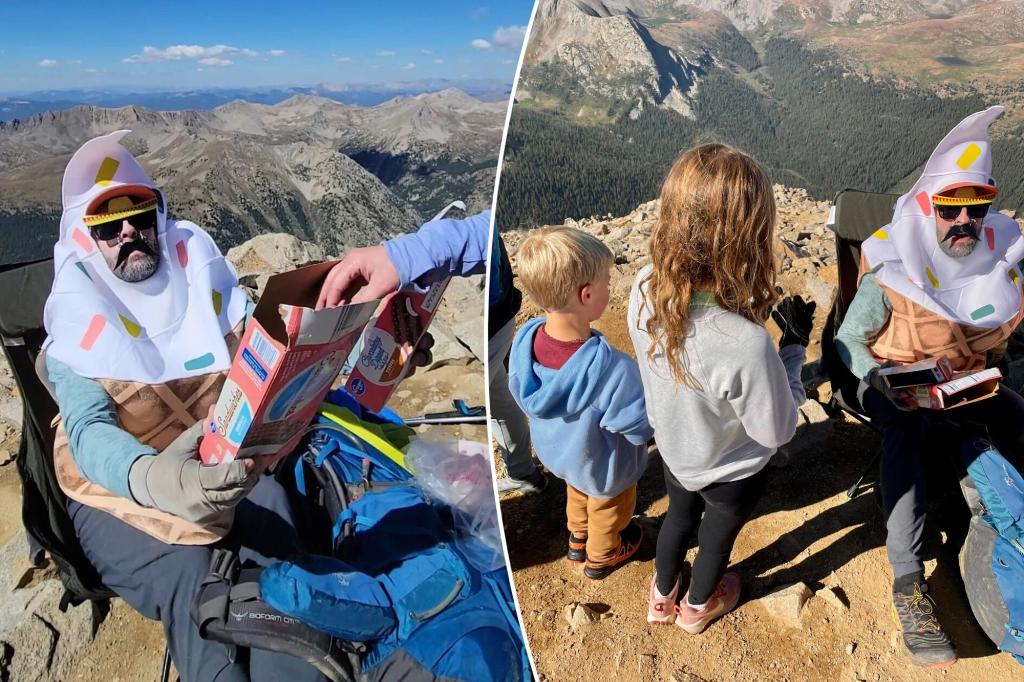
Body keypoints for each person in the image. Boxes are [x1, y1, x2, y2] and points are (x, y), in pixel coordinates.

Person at [43, 131, 323, 682]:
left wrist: (370, 356)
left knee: (279, 540)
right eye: (107, 224)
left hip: (216, 462)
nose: (128, 232)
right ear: (85, 238)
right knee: (190, 575)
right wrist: (158, 481)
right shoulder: (75, 323)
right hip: (114, 492)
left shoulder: (205, 285)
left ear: (159, 219)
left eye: (140, 215)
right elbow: (89, 433)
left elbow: (268, 358)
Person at [835, 106, 1024, 669]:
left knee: (1016, 413)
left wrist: (992, 372)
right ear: (928, 207)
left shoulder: (998, 267)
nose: (964, 219)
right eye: (950, 207)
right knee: (907, 438)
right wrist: (881, 378)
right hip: (893, 380)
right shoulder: (895, 270)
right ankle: (908, 580)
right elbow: (849, 341)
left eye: (976, 207)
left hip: (965, 383)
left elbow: (997, 347)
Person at [628, 144, 812, 634]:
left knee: (677, 522)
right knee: (715, 540)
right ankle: (697, 607)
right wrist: (792, 350)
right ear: (749, 236)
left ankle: (661, 596)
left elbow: (696, 354)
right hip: (732, 470)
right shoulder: (747, 345)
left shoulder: (645, 286)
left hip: (674, 450)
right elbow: (776, 430)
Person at [508, 226, 652, 580]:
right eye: (606, 281)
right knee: (609, 508)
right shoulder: (612, 370)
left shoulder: (524, 346)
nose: (609, 287)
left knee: (576, 491)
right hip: (603, 467)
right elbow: (641, 426)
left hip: (562, 456)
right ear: (587, 295)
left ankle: (577, 538)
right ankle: (603, 554)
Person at [488, 228, 547, 494]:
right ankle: (523, 471)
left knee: (496, 395)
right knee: (499, 394)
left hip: (492, 318)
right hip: (502, 309)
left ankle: (523, 472)